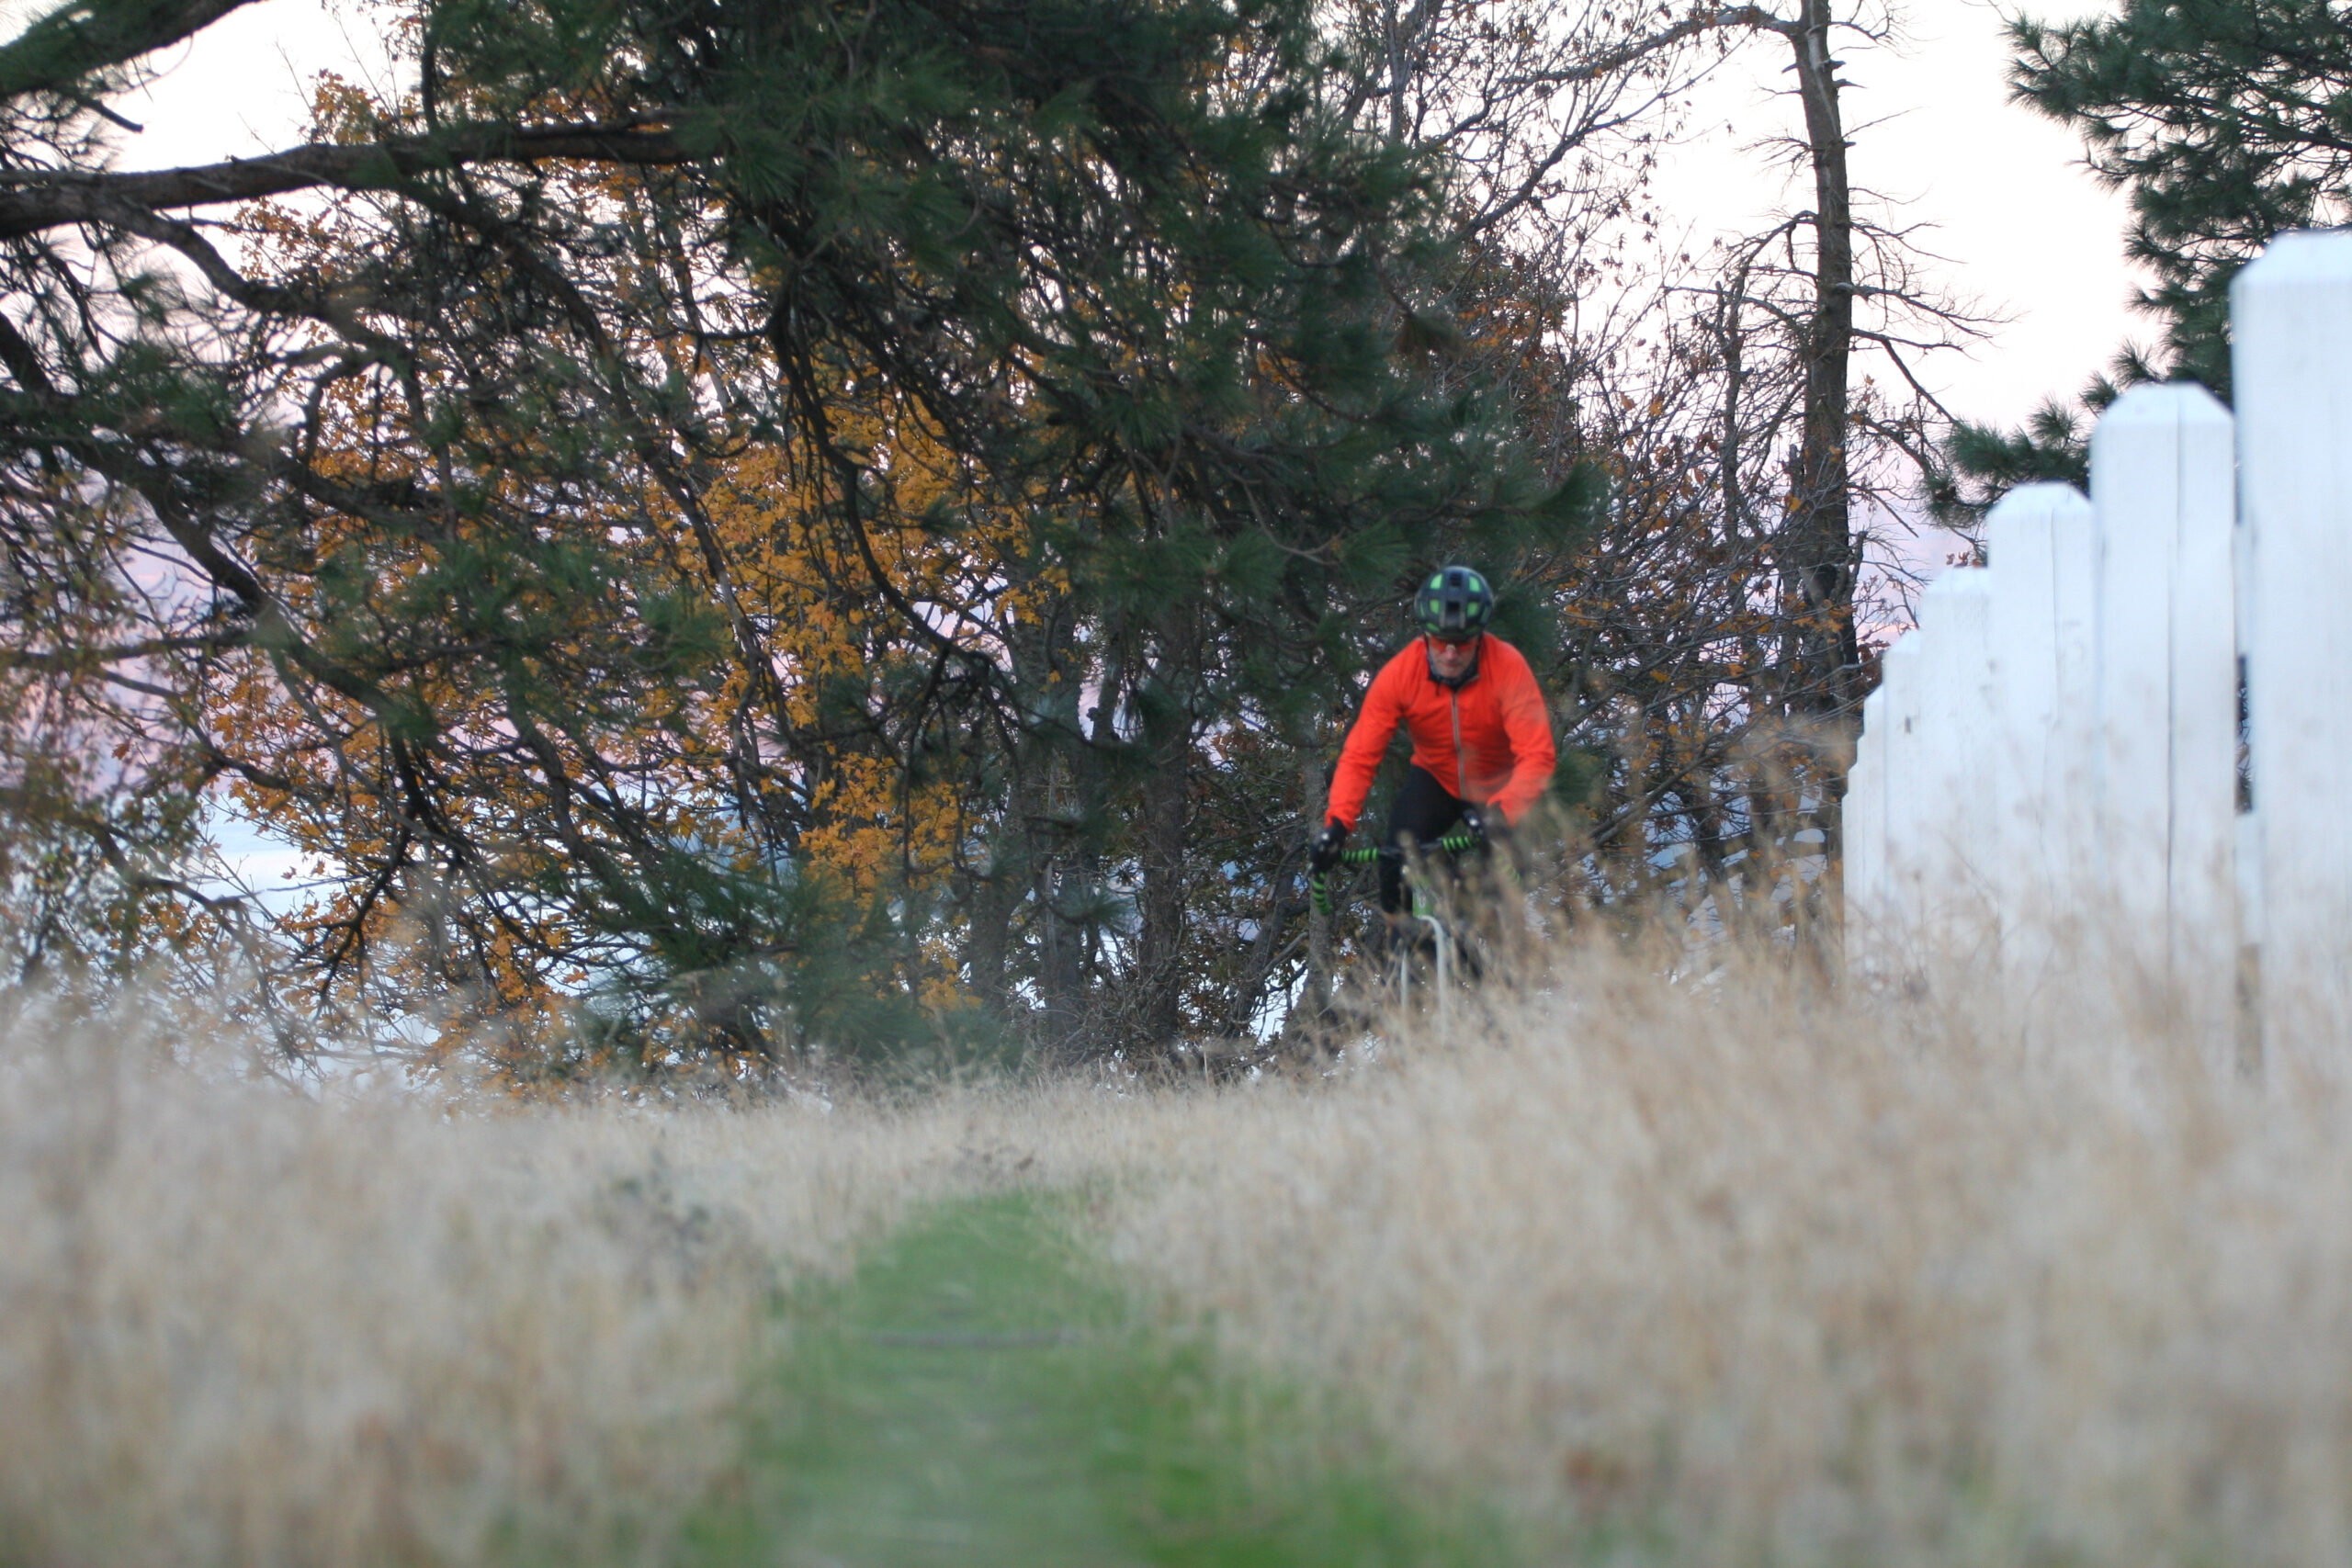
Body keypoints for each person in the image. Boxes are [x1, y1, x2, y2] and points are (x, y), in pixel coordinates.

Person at [1309, 566, 1556, 916]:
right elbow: (1359, 756)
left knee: (1503, 893)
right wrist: (1337, 825)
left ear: (1480, 637)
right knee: (1394, 865)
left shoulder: (1508, 667)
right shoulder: (1400, 674)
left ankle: (1497, 959)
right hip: (1435, 780)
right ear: (1425, 635)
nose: (1451, 653)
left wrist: (1504, 813)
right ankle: (1402, 961)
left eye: (1462, 643)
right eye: (1440, 641)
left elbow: (1537, 756)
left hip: (1497, 789)